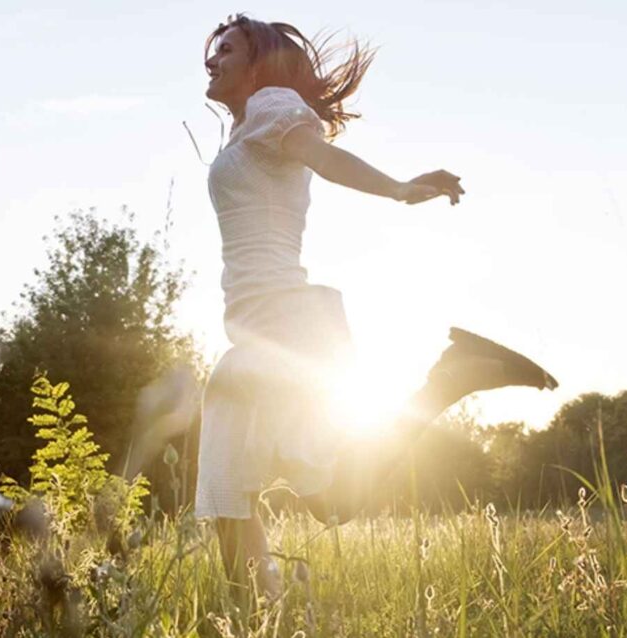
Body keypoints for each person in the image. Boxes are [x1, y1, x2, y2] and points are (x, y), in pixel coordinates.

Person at [195, 14, 557, 600]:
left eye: (227, 50)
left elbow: (322, 156)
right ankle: (263, 610)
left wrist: (398, 188)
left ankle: (451, 379)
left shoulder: (271, 106)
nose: (212, 60)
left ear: (260, 63)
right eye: (212, 51)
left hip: (284, 330)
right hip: (255, 334)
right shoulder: (245, 130)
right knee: (226, 489)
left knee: (327, 497)